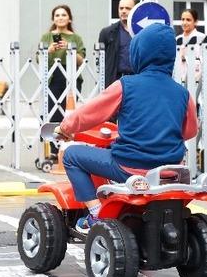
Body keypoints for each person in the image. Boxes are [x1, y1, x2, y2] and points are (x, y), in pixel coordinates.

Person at [55, 23, 198, 232]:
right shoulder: (182, 93)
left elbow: (91, 112)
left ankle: (95, 213)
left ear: (139, 54)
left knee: (72, 156)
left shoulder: (126, 84)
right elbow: (190, 131)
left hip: (130, 166)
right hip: (170, 169)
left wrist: (65, 128)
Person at [40, 4, 85, 123]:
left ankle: (68, 134)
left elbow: (81, 60)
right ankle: (53, 135)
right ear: (53, 19)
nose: (60, 17)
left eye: (64, 15)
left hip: (72, 76)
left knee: (69, 113)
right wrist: (48, 50)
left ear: (69, 19)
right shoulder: (46, 37)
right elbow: (39, 59)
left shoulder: (76, 38)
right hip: (52, 77)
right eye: (57, 15)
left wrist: (70, 48)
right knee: (53, 112)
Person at [99, 0, 136, 88]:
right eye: (121, 8)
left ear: (135, 10)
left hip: (136, 79)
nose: (123, 11)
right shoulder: (107, 32)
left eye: (128, 8)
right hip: (115, 80)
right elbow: (101, 60)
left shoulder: (141, 32)